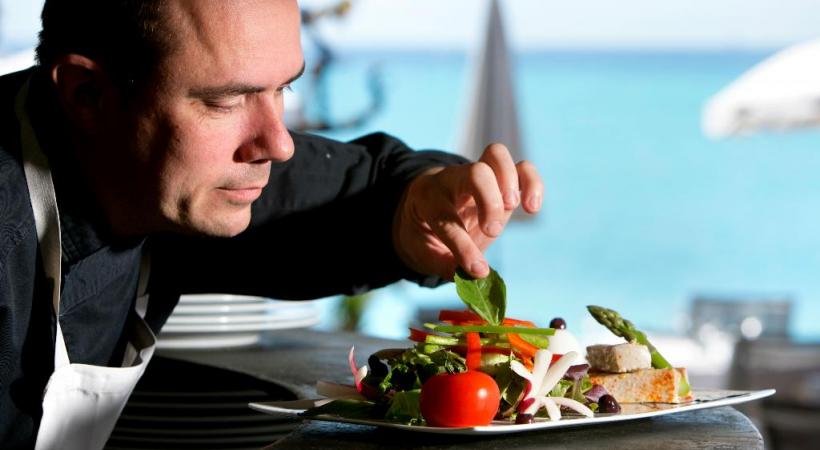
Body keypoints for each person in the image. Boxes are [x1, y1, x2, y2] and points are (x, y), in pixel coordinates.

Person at [0, 0, 543, 448]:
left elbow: (371, 189)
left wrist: (416, 210)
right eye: (226, 100)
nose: (278, 143)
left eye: (282, 88)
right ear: (86, 95)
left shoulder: (163, 177)